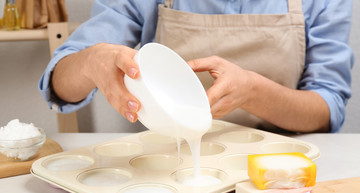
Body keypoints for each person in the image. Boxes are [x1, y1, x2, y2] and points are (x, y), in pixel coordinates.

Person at [39, 0, 353, 133]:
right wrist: (90, 62)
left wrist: (254, 92)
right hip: (172, 167)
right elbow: (60, 86)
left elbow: (327, 110)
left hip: (280, 171)